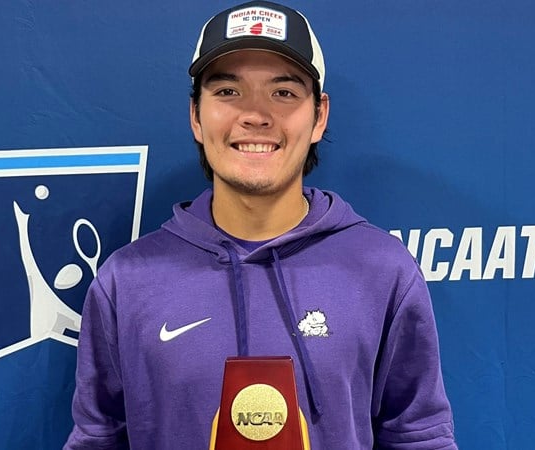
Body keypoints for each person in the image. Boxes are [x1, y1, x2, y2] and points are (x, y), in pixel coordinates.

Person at [65, 1, 457, 448]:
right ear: (196, 115)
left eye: (283, 92)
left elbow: (418, 437)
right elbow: (97, 439)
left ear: (319, 116)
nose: (254, 114)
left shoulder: (383, 271)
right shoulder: (127, 282)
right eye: (228, 92)